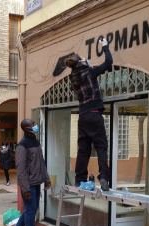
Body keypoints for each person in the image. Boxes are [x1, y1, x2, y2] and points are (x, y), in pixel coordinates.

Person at [64, 37, 113, 191]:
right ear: (81, 62)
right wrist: (105, 46)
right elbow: (108, 62)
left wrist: (83, 63)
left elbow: (79, 71)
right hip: (94, 114)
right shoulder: (90, 72)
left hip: (83, 116)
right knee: (101, 147)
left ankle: (79, 180)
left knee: (83, 149)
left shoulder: (72, 78)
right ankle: (104, 176)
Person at [8, 119, 51, 226]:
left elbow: (41, 163)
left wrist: (47, 179)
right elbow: (20, 169)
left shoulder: (36, 142)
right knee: (31, 211)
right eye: (32, 124)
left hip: (36, 182)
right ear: (26, 128)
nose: (35, 125)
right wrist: (25, 189)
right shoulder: (22, 145)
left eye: (34, 124)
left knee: (30, 210)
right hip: (28, 185)